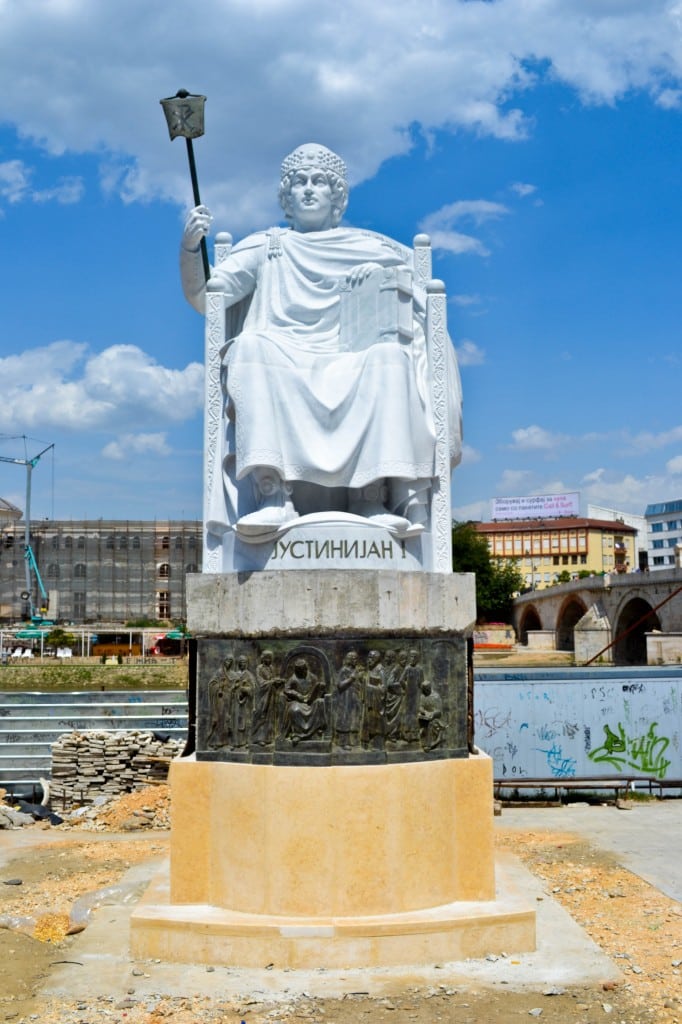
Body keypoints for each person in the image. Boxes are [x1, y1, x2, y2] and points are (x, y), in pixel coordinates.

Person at [181, 143, 461, 538]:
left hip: (350, 358)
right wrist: (192, 249)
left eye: (319, 182)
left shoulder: (372, 250)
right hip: (281, 356)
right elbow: (206, 299)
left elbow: (418, 306)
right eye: (299, 182)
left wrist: (381, 280)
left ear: (338, 198)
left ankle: (370, 496)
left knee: (390, 359)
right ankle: (273, 495)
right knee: (249, 348)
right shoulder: (266, 247)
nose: (309, 189)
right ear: (286, 199)